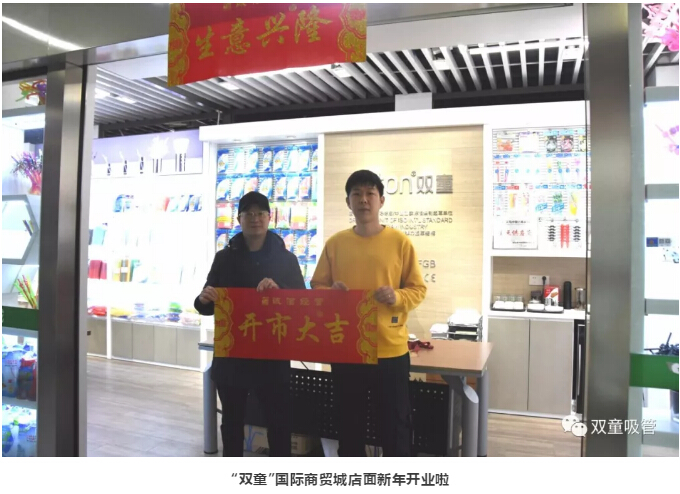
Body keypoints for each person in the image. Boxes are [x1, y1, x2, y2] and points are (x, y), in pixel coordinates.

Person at [311, 170, 427, 457]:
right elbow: (317, 286)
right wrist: (331, 293)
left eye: (370, 194)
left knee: (395, 427)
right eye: (357, 194)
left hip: (390, 350)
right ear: (348, 202)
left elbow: (418, 289)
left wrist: (397, 297)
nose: (363, 200)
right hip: (347, 349)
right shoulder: (335, 244)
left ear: (381, 200)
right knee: (348, 425)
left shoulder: (400, 242)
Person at [195, 191, 305, 457]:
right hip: (233, 357)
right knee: (231, 423)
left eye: (260, 213)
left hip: (272, 356)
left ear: (269, 218)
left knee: (279, 424)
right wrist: (203, 298)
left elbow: (302, 304)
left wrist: (280, 291)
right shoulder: (224, 258)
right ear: (239, 219)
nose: (255, 218)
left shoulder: (286, 259)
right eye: (248, 214)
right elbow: (207, 303)